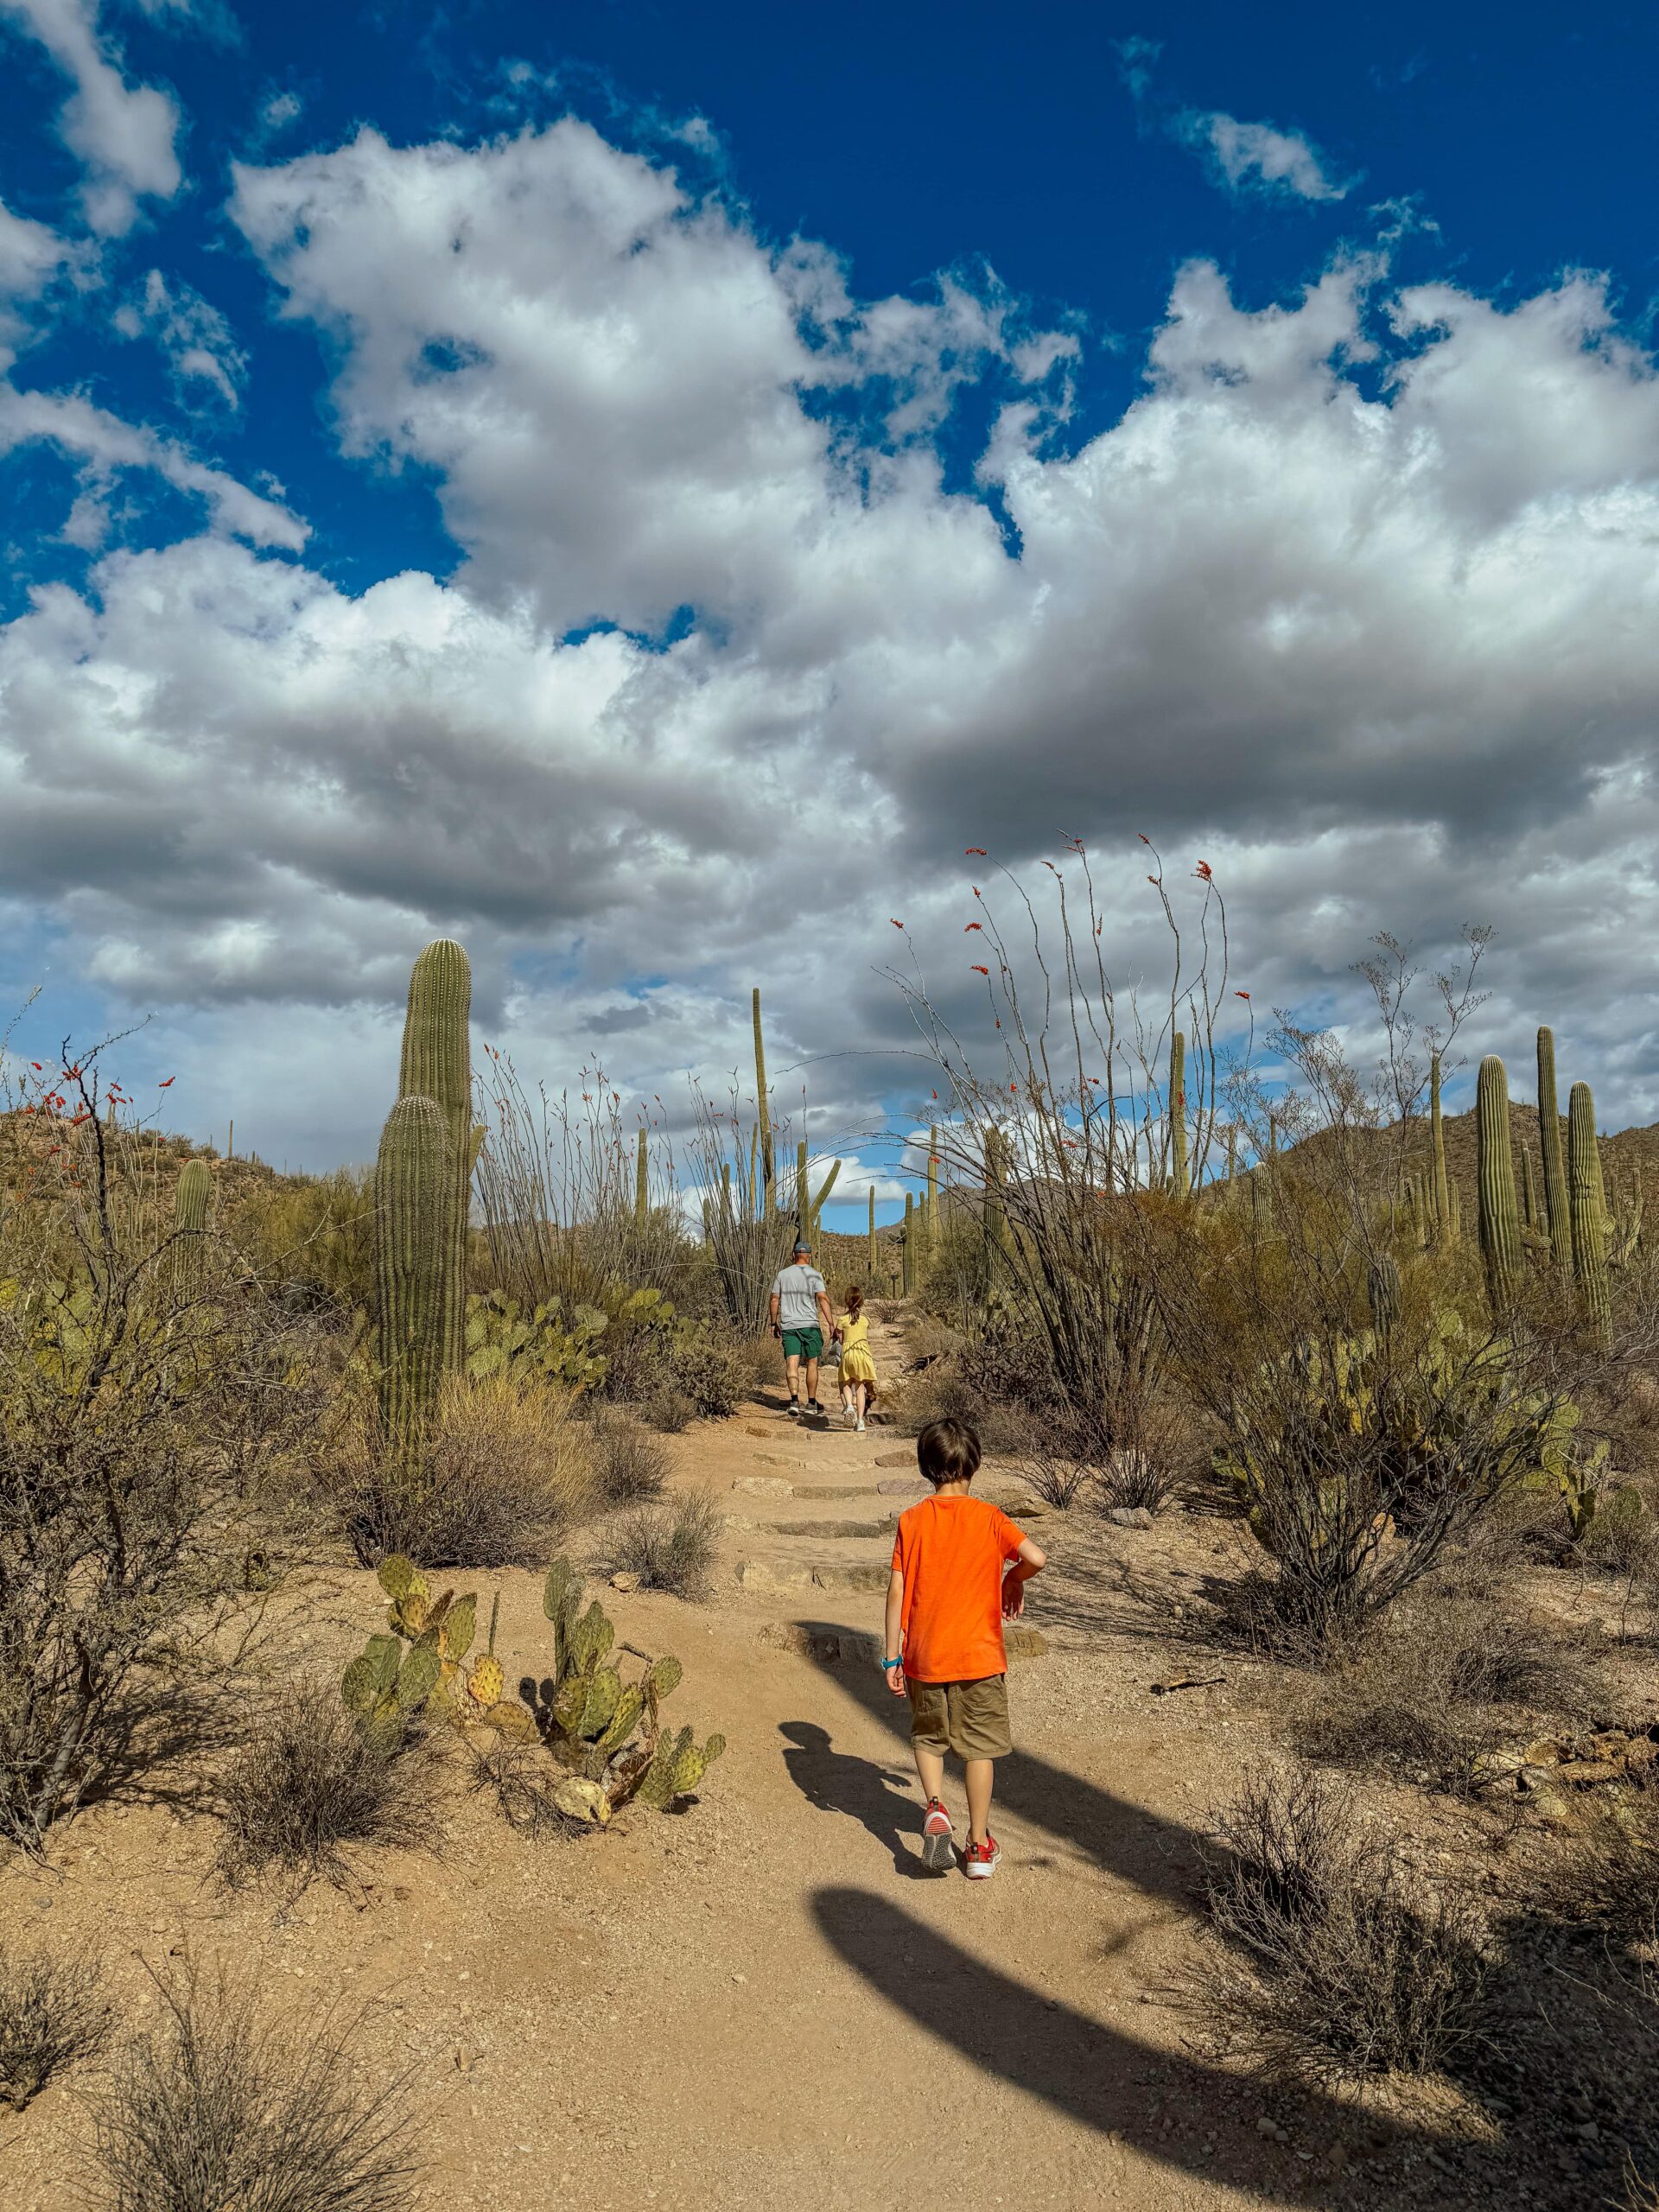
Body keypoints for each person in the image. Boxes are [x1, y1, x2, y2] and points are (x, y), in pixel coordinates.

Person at [882, 1416, 1046, 1877]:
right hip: (979, 1657)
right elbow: (1037, 1557)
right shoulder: (990, 1518)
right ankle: (977, 1846)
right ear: (974, 1464)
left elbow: (897, 1591)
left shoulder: (911, 1521)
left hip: (924, 1657)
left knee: (929, 1739)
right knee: (979, 1750)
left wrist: (892, 1655)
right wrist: (1012, 1577)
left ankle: (935, 1807)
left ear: (925, 1467)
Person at [768, 1237, 835, 1420]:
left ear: (793, 1255)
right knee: (812, 1362)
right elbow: (822, 1298)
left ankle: (794, 1401)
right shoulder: (815, 1274)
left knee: (792, 1361)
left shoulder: (782, 1275)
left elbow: (774, 1299)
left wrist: (774, 1323)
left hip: (789, 1325)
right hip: (810, 1326)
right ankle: (812, 1402)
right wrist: (830, 1322)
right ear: (810, 1256)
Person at [833, 1284, 878, 1431]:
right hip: (863, 1353)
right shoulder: (866, 1319)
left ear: (847, 1300)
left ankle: (849, 1407)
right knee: (860, 1388)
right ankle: (860, 1422)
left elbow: (840, 1338)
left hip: (848, 1353)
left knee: (846, 1383)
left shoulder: (842, 1319)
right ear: (862, 1301)